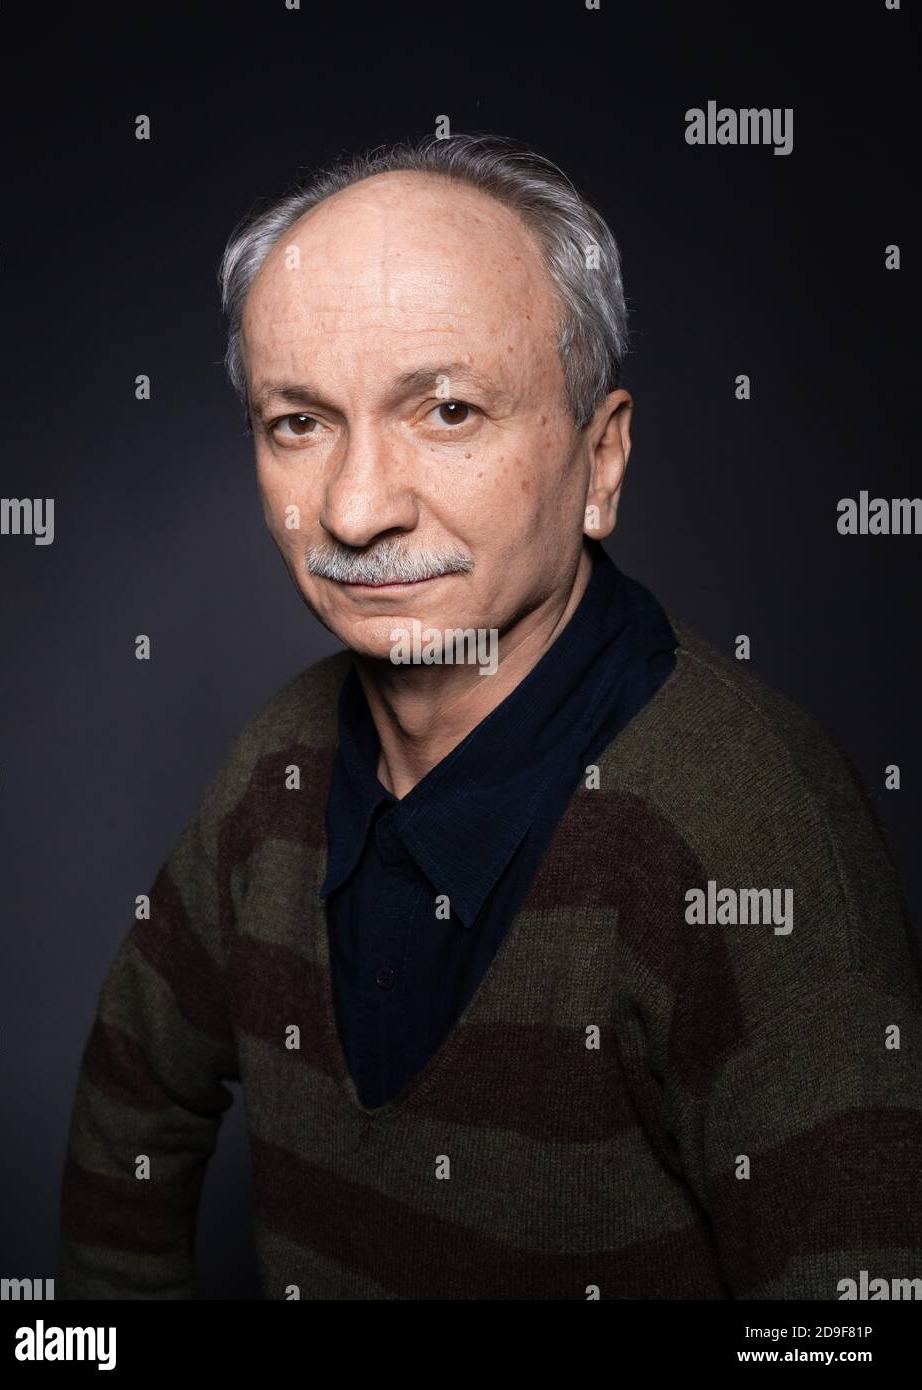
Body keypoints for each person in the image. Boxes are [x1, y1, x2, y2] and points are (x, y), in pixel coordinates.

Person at [59, 133, 922, 1299]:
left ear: (601, 456)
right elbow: (131, 1117)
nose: (356, 510)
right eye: (298, 422)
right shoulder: (277, 770)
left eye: (449, 409)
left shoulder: (749, 833)